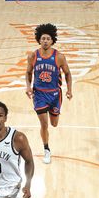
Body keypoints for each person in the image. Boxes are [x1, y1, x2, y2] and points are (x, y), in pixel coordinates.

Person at [25, 23, 72, 165]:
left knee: (54, 124)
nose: (45, 41)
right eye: (43, 38)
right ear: (39, 39)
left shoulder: (59, 57)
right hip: (39, 95)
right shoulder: (33, 55)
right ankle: (46, 149)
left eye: (48, 38)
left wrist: (69, 90)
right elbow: (28, 72)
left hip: (54, 95)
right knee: (44, 124)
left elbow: (68, 74)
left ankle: (54, 118)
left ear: (52, 41)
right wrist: (28, 87)